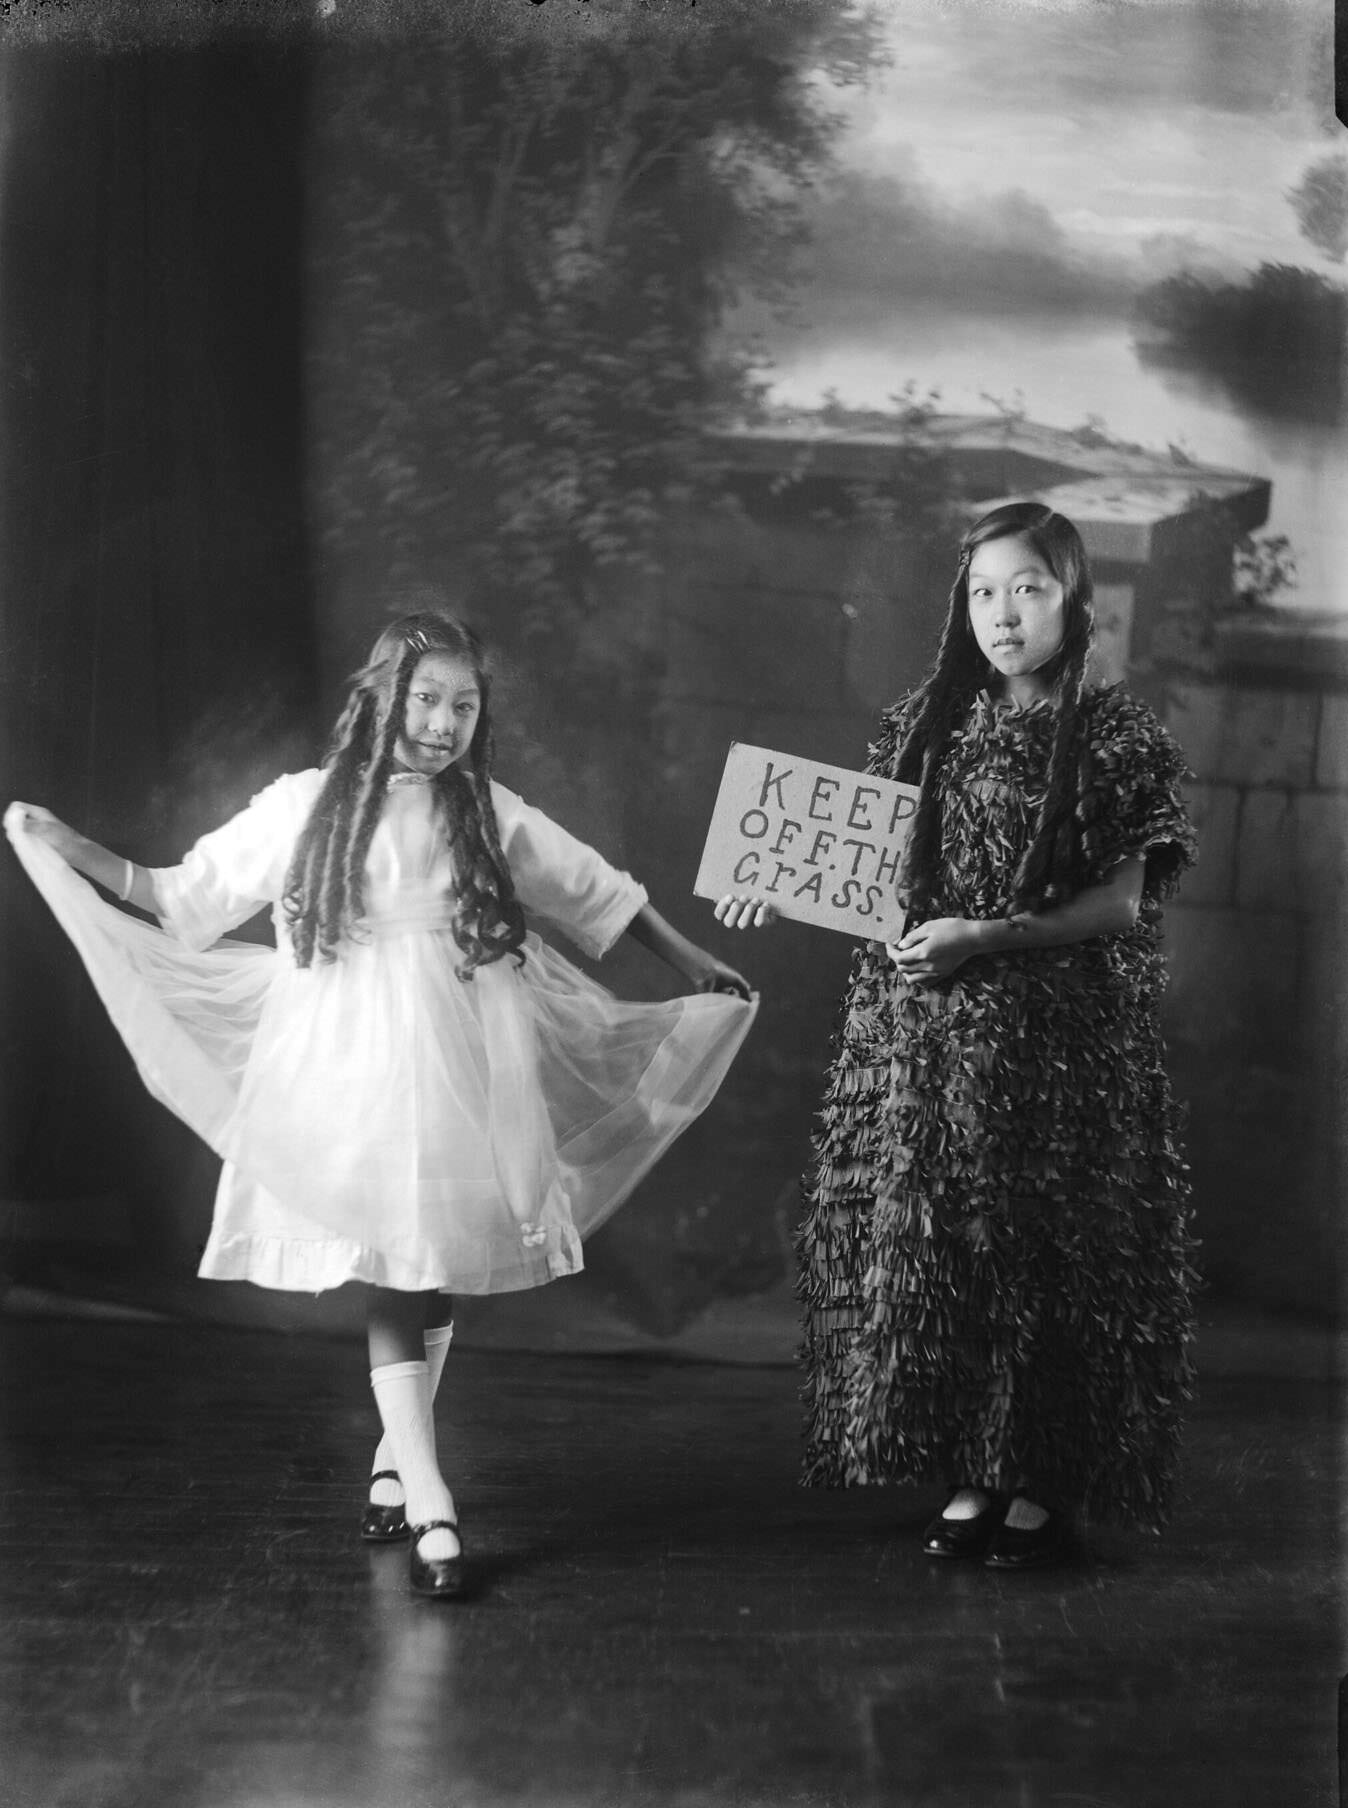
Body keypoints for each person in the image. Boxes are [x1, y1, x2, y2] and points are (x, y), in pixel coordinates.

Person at [8, 612, 756, 1599]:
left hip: (462, 1058)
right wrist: (64, 843)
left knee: (427, 1262)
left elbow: (599, 893)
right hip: (347, 1066)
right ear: (379, 700)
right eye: (425, 699)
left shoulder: (484, 810)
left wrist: (694, 959)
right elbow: (176, 893)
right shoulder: (303, 805)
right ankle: (433, 1495)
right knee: (395, 1270)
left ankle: (397, 1459)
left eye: (463, 704)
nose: (443, 722)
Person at [717, 500, 1197, 1568]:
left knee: (1042, 1249)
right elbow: (869, 867)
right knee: (951, 1250)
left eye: (1026, 587)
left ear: (1072, 597)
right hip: (925, 1040)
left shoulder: (1120, 738)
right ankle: (974, 1471)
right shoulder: (922, 724)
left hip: (1060, 1042)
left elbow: (1121, 903)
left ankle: (1039, 1479)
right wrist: (780, 885)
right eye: (982, 591)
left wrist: (983, 935)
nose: (1002, 613)